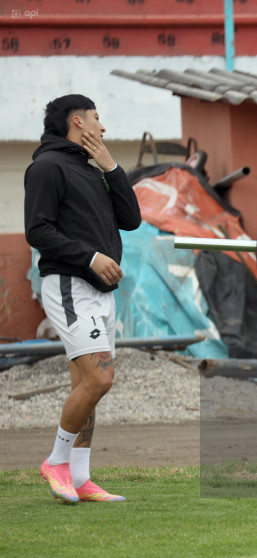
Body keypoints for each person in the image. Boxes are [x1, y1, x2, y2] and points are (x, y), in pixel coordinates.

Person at [24, 94, 142, 504]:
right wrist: (91, 257)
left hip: (99, 292)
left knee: (88, 386)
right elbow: (37, 231)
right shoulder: (47, 167)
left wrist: (111, 166)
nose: (102, 126)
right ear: (78, 121)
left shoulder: (92, 169)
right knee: (100, 377)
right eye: (97, 118)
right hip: (71, 286)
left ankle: (80, 476)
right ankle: (56, 462)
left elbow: (131, 220)